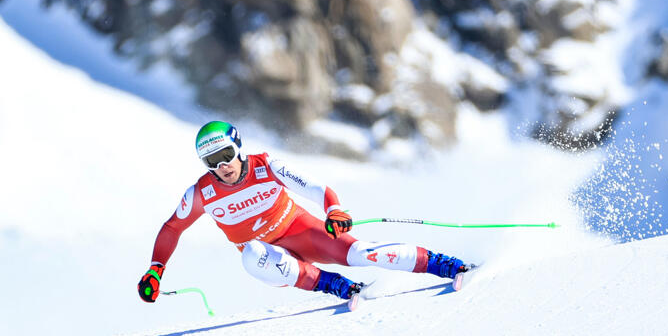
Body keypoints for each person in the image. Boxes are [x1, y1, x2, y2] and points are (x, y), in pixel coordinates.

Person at [138, 121, 469, 304]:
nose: (222, 166)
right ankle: (336, 286)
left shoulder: (265, 166)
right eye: (212, 161)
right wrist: (156, 269)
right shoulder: (202, 193)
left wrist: (333, 209)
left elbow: (315, 188)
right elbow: (172, 228)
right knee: (251, 254)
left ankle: (446, 265)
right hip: (271, 259)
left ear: (238, 147)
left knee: (362, 254)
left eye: (226, 154)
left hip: (302, 232)